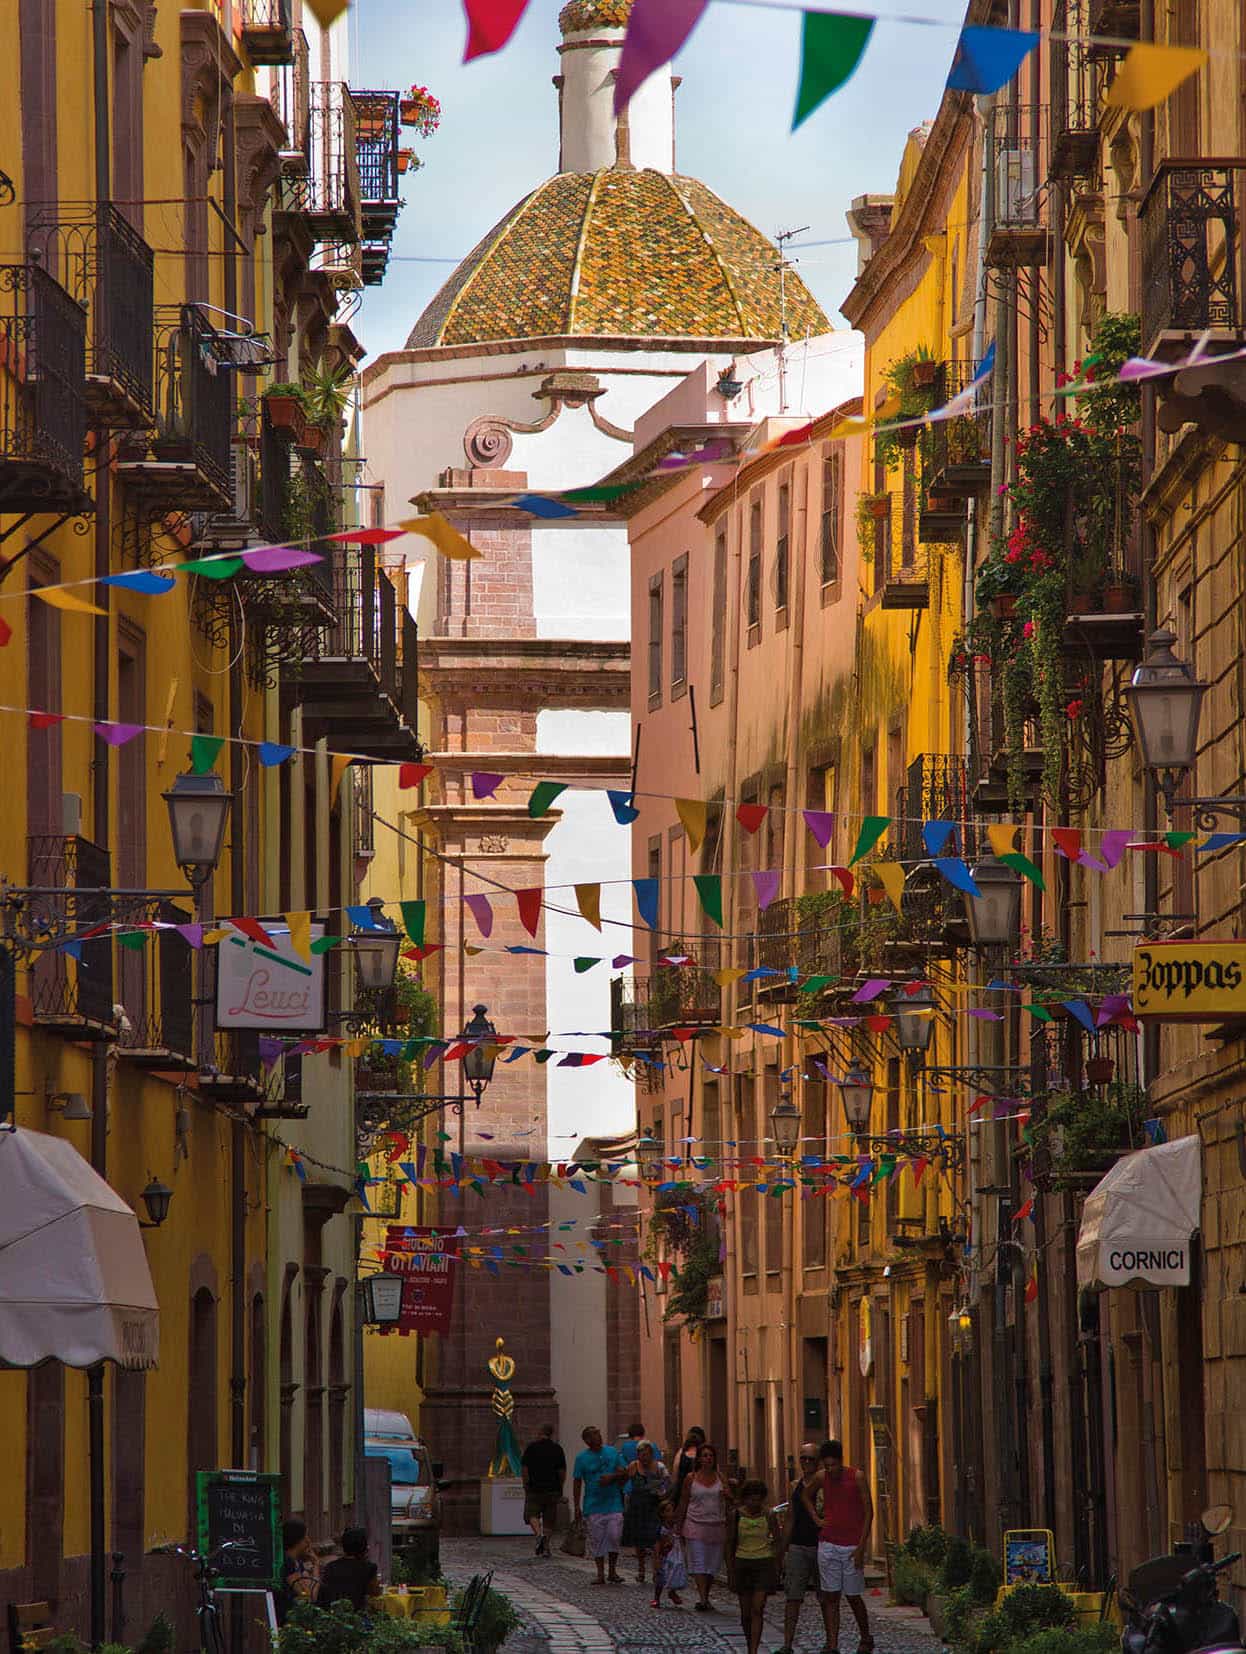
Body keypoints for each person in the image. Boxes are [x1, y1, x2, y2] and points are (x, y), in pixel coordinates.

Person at [802, 1439, 875, 1654]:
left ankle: (865, 1636)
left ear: (841, 1461)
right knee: (830, 1596)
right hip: (828, 1544)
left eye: (833, 1465)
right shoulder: (821, 1477)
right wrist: (816, 1518)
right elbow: (805, 1496)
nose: (830, 1470)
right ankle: (832, 1644)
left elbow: (869, 1512)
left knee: (853, 1596)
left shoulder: (857, 1477)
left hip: (851, 1545)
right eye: (827, 1465)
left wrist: (862, 1546)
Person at [776, 1442, 825, 1654]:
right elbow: (790, 1518)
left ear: (819, 1461)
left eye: (810, 1459)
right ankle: (787, 1644)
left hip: (821, 1546)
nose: (806, 1462)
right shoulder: (795, 1484)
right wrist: (781, 1550)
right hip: (797, 1545)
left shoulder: (825, 1485)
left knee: (826, 1598)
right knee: (793, 1597)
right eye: (802, 1458)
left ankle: (831, 1643)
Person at [726, 1478, 782, 1654]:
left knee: (758, 1608)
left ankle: (753, 1650)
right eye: (751, 1499)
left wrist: (777, 1565)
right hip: (742, 1563)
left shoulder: (769, 1515)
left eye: (758, 1499)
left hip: (764, 1563)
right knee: (745, 1614)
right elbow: (729, 1542)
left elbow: (777, 1540)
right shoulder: (735, 1515)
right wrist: (730, 1568)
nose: (754, 1503)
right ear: (745, 1498)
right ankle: (750, 1641)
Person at [675, 1440, 729, 1612]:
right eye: (705, 1455)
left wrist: (729, 1494)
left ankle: (705, 1593)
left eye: (711, 1456)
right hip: (694, 1524)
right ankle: (703, 1598)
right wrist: (678, 1525)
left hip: (716, 1525)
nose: (708, 1459)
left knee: (712, 1565)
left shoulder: (721, 1478)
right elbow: (683, 1502)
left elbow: (731, 1499)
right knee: (699, 1562)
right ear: (698, 1459)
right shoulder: (691, 1478)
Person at [572, 1424, 628, 1585]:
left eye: (598, 1433)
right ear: (587, 1440)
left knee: (614, 1535)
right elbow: (577, 1481)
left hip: (613, 1502)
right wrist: (577, 1505)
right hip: (593, 1504)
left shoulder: (612, 1452)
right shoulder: (581, 1458)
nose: (598, 1436)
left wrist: (612, 1477)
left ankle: (612, 1570)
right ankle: (600, 1573)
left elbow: (624, 1471)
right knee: (597, 1540)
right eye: (594, 1434)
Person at [621, 1439, 669, 1583]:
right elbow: (624, 1482)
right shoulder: (633, 1466)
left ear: (651, 1454)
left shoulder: (659, 1467)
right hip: (637, 1506)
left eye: (647, 1454)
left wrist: (662, 1493)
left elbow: (668, 1482)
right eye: (641, 1454)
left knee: (655, 1540)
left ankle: (656, 1570)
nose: (644, 1457)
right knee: (639, 1542)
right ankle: (641, 1569)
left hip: (654, 1506)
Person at [521, 1423, 566, 1557]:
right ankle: (546, 1548)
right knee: (549, 1519)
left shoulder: (531, 1448)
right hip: (552, 1489)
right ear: (551, 1433)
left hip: (534, 1488)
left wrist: (525, 1484)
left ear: (540, 1432)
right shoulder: (557, 1449)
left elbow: (524, 1469)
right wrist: (560, 1486)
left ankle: (539, 1534)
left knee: (531, 1514)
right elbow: (562, 1471)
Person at [318, 1528, 382, 1612]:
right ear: (364, 1548)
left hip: (331, 1614)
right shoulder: (368, 1567)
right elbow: (375, 1593)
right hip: (355, 1615)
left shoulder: (330, 1567)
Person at [275, 1519, 319, 1625]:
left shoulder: (297, 1561)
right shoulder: (287, 1562)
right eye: (305, 1537)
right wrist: (316, 1566)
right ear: (297, 1540)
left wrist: (313, 1565)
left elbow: (310, 1589)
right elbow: (310, 1596)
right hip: (286, 1620)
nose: (308, 1541)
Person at [651, 1497, 687, 1609]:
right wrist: (656, 1559)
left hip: (676, 1555)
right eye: (668, 1511)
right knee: (661, 1578)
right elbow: (657, 1544)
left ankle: (672, 1592)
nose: (671, 1513)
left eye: (672, 1510)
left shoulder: (677, 1527)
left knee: (675, 1574)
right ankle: (656, 1598)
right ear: (662, 1513)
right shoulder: (660, 1528)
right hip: (664, 1556)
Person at [671, 1425, 706, 1497]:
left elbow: (675, 1474)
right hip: (701, 1490)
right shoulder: (705, 1453)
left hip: (684, 1489)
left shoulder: (681, 1452)